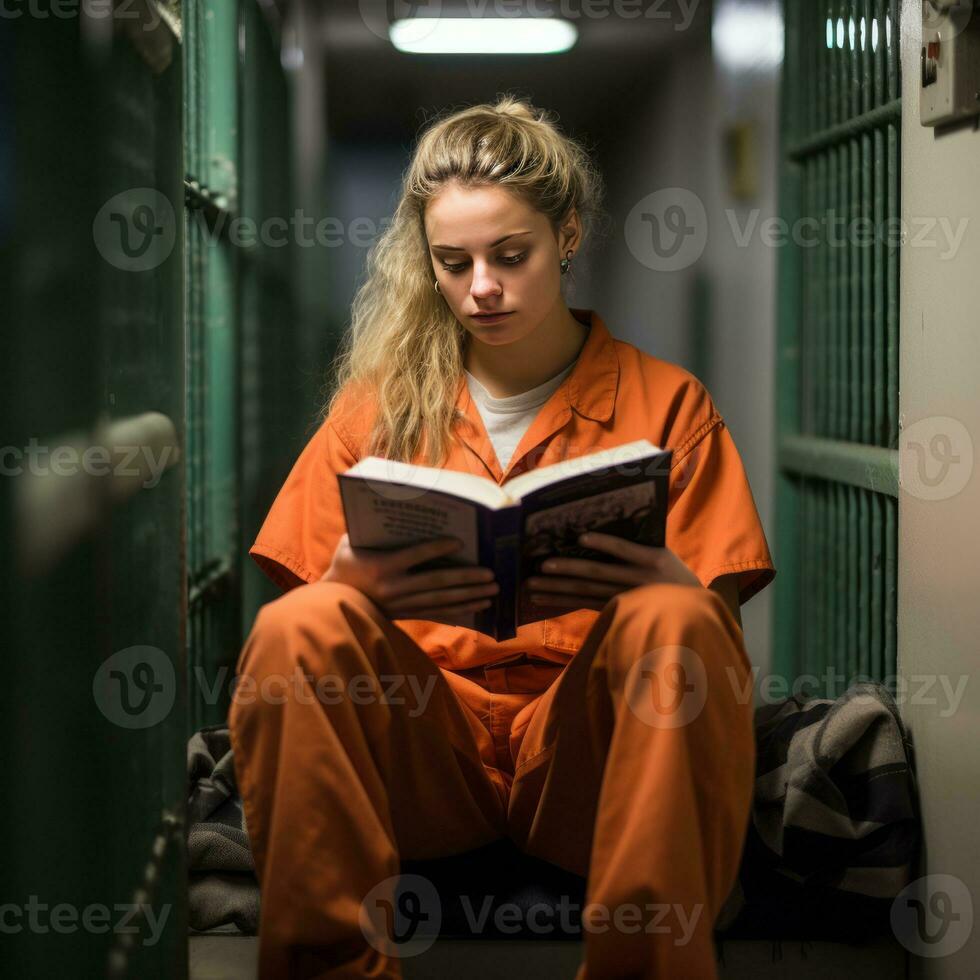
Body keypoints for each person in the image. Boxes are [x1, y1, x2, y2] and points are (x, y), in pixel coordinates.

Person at [229, 95, 776, 979]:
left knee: (677, 624)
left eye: (509, 256)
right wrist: (343, 588)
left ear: (567, 235)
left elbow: (708, 652)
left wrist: (675, 583)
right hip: (425, 753)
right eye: (453, 263)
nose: (481, 287)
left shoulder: (668, 404)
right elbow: (310, 654)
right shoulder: (374, 411)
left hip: (586, 763)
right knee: (295, 627)